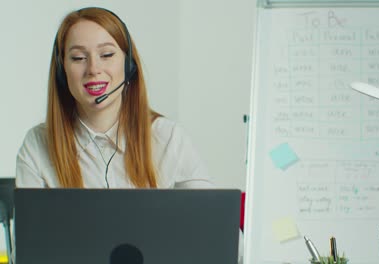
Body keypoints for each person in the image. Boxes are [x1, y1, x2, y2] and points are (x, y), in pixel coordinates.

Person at [15, 6, 243, 263]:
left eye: (107, 54)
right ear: (61, 70)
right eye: (78, 58)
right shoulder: (37, 145)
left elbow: (223, 238)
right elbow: (27, 252)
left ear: (129, 65)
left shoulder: (168, 139)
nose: (93, 69)